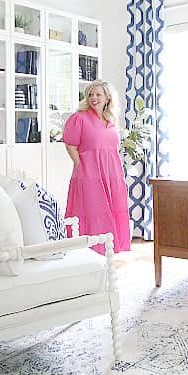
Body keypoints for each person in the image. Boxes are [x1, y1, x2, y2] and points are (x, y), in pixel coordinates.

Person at [62, 81, 131, 254]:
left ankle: (108, 249)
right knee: (92, 210)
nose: (94, 98)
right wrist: (81, 166)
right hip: (89, 174)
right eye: (91, 95)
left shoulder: (111, 120)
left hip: (112, 174)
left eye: (98, 95)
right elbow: (70, 145)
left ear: (107, 97)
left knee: (111, 210)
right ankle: (89, 251)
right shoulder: (80, 118)